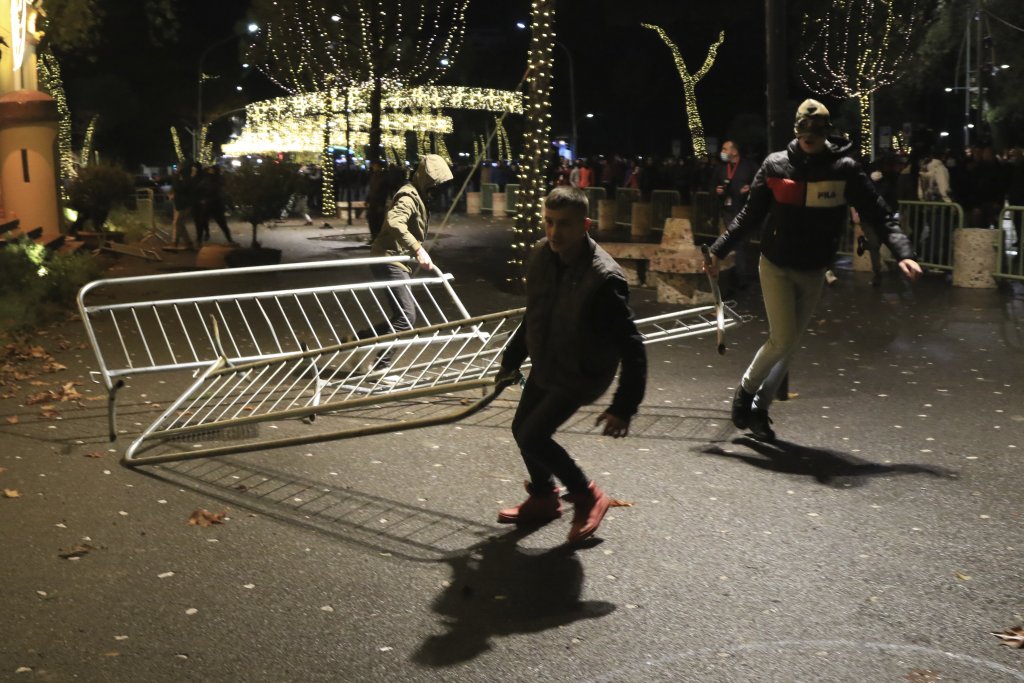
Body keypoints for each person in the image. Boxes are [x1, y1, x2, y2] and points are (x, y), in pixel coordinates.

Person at [704, 99, 922, 441]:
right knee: (782, 339)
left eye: (816, 133)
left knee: (790, 344)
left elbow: (878, 213)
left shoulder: (844, 169)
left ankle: (759, 410)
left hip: (814, 268)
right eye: (804, 133)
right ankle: (745, 392)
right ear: (796, 131)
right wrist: (719, 250)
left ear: (826, 133)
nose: (809, 139)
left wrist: (903, 252)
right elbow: (749, 216)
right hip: (776, 264)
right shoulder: (775, 165)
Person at [495, 186, 647, 544]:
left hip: (581, 372)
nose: (554, 232)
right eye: (548, 221)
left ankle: (588, 495)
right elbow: (534, 314)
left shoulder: (603, 279)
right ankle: (544, 497)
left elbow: (632, 345)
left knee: (533, 435)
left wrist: (624, 406)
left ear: (585, 225)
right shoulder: (541, 255)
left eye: (564, 224)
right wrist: (511, 360)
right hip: (547, 361)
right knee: (521, 429)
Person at [367, 154, 453, 360]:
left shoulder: (419, 195)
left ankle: (357, 340)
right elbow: (395, 221)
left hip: (392, 259)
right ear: (427, 180)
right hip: (389, 260)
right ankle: (380, 366)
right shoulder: (409, 196)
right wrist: (418, 249)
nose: (438, 190)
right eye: (436, 184)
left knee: (400, 316)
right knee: (406, 317)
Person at [710, 140, 758, 288]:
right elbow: (712, 186)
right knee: (724, 244)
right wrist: (716, 191)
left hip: (742, 210)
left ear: (734, 151)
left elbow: (760, 183)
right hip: (725, 210)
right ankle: (725, 277)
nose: (722, 152)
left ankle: (741, 277)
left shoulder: (749, 167)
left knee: (739, 244)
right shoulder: (721, 168)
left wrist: (749, 189)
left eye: (725, 149)